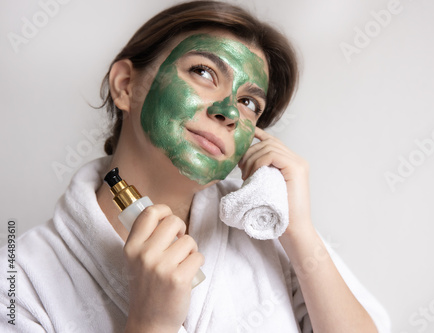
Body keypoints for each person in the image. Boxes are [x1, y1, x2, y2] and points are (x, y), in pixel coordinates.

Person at [0, 1, 391, 332]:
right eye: (203, 72)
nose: (228, 113)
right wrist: (151, 323)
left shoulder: (266, 229)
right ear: (125, 86)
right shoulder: (18, 281)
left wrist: (299, 233)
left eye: (249, 104)